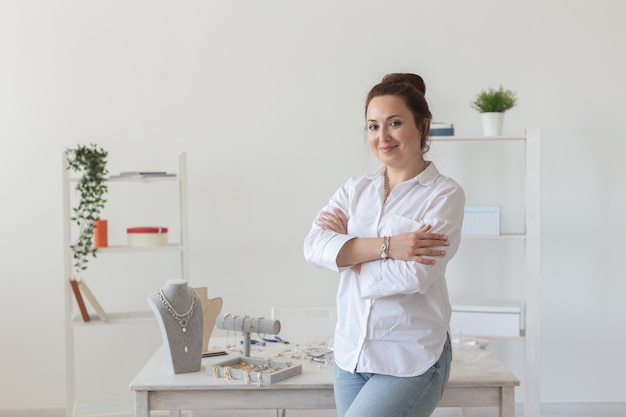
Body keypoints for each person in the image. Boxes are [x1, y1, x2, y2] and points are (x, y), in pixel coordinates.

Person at [303, 73, 465, 417]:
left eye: (394, 123)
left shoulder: (444, 194)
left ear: (421, 126)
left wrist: (348, 254)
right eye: (373, 126)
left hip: (410, 357)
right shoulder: (354, 189)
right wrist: (389, 246)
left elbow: (414, 277)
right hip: (351, 354)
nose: (382, 137)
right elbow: (314, 246)